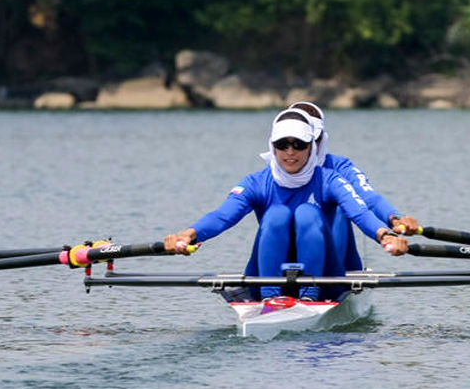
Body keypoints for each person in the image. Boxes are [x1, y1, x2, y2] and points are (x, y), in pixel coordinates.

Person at [164, 111, 408, 301]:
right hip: (265, 275)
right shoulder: (256, 182)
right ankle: (271, 296)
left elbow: (360, 212)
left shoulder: (330, 179)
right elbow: (222, 216)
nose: (290, 152)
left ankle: (309, 295)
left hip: (326, 277)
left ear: (312, 146)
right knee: (277, 214)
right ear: (273, 147)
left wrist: (386, 235)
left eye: (299, 145)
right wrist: (188, 234)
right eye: (283, 145)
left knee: (306, 213)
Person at [282, 101, 420, 276]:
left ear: (319, 139)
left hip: (337, 266)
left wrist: (395, 218)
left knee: (341, 206)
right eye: (289, 143)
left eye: (308, 141)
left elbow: (370, 200)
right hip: (285, 261)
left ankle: (330, 280)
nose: (294, 150)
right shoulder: (269, 177)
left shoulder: (340, 168)